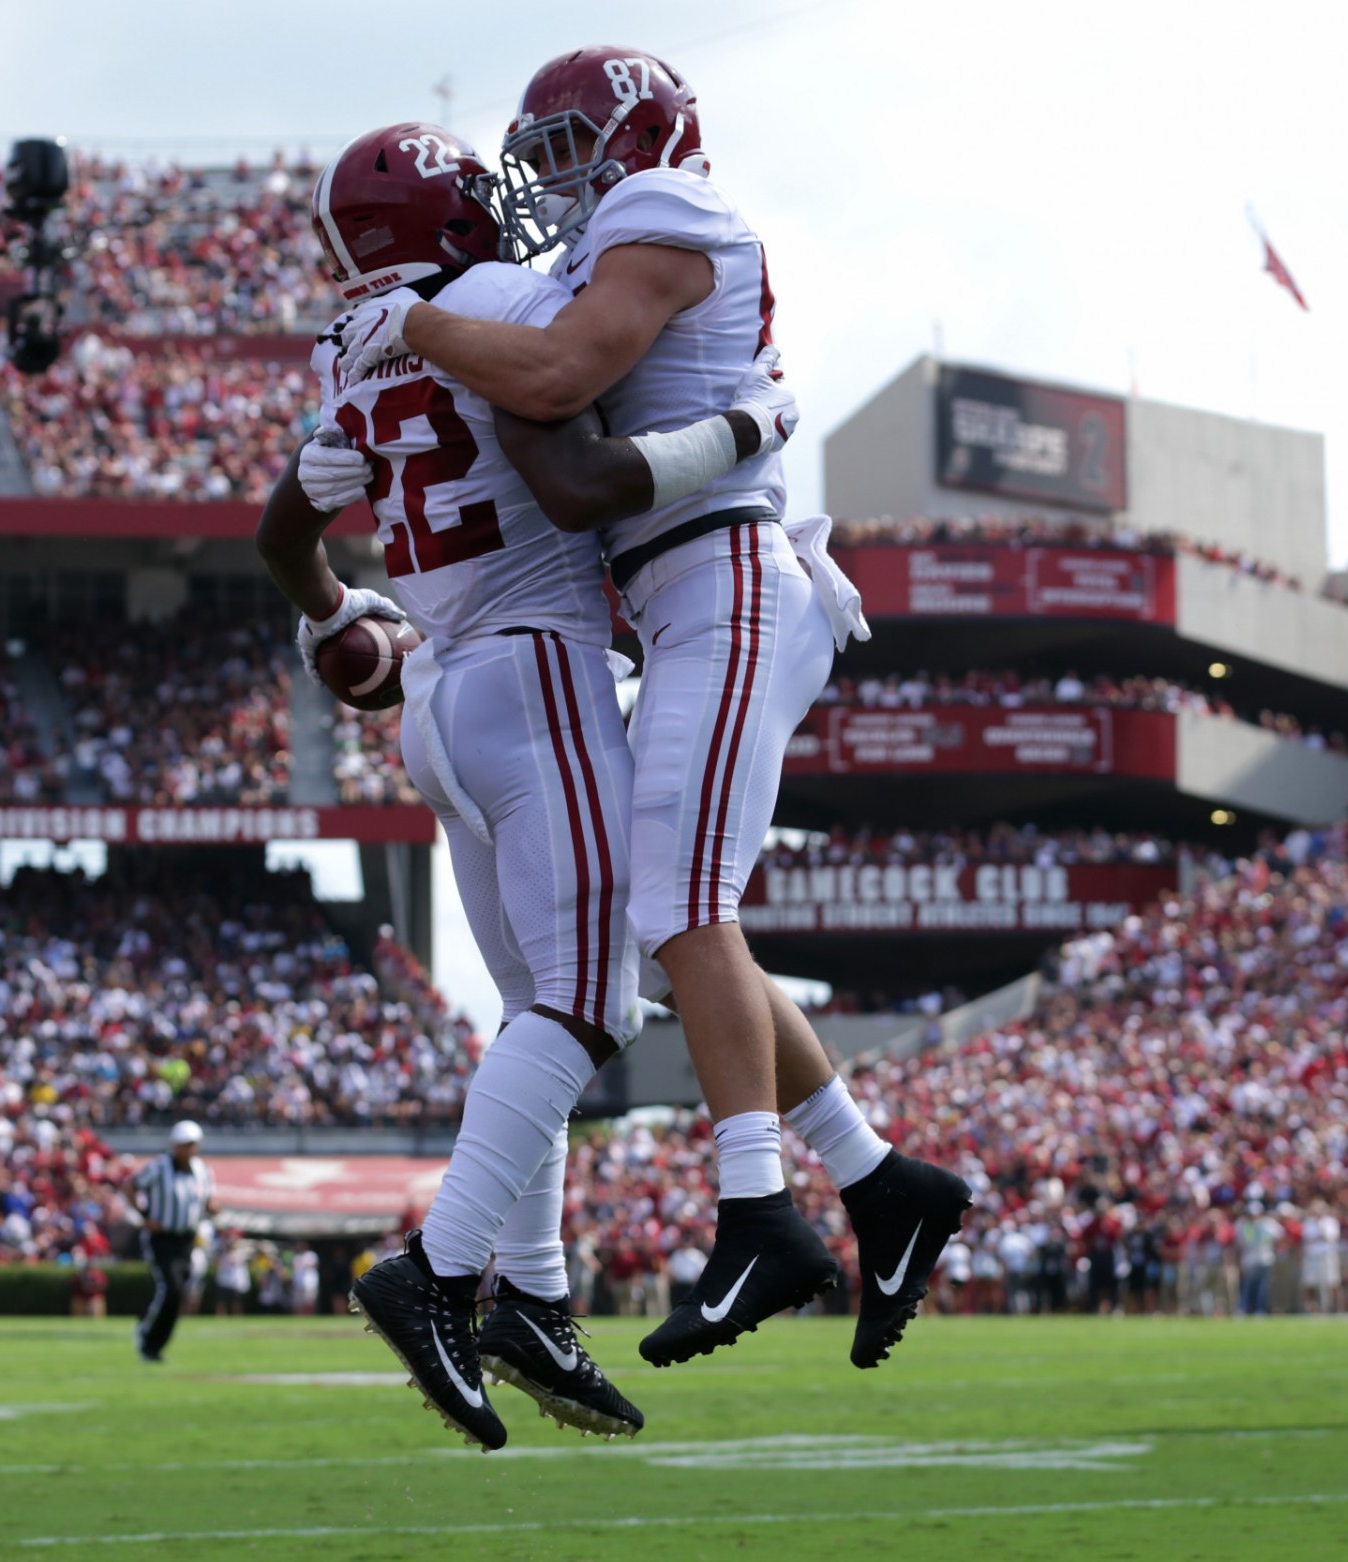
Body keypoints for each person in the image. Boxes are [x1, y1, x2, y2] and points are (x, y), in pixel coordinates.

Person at [339, 48, 971, 1372]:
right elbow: (576, 460)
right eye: (542, 149)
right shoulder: (579, 258)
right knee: (671, 915)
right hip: (686, 578)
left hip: (733, 573)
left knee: (678, 906)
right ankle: (883, 1186)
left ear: (647, 131)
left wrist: (416, 326)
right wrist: (734, 433)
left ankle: (759, 1212)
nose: (557, 171)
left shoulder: (661, 211)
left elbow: (565, 384)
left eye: (574, 140)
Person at [257, 121, 795, 1451]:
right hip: (534, 662)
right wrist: (750, 417)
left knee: (531, 1012)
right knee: (583, 1001)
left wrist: (339, 617)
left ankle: (539, 1299)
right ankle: (437, 1272)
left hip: (438, 697)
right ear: (447, 215)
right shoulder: (501, 300)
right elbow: (572, 388)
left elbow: (280, 526)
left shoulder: (352, 346)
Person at [126, 1119, 215, 1363]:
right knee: (171, 1288)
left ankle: (154, 1343)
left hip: (187, 1239)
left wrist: (212, 1208)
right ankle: (147, 1336)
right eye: (185, 1145)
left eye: (193, 1145)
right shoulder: (158, 1167)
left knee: (180, 1292)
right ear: (175, 1145)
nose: (189, 1150)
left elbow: (206, 1202)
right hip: (162, 1238)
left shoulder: (202, 1171)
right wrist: (144, 1216)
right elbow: (131, 1186)